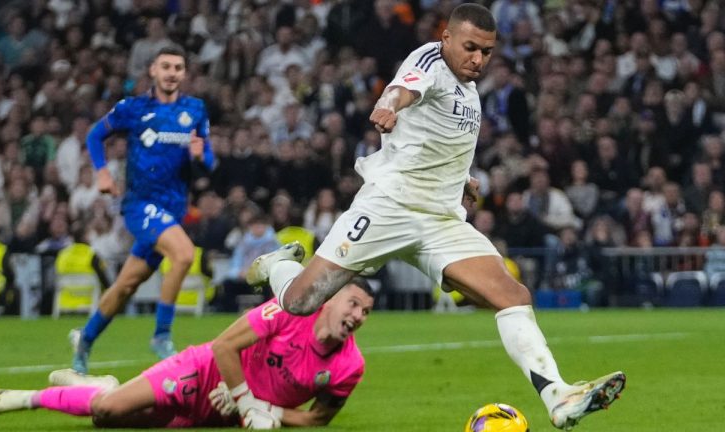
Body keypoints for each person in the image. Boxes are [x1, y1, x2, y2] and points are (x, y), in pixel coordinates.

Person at [244, 4, 624, 430]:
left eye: (487, 52)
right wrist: (388, 105)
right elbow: (402, 90)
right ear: (446, 38)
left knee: (513, 296)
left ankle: (558, 395)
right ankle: (278, 265)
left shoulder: (470, 90)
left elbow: (439, 139)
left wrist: (465, 179)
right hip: (390, 206)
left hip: (441, 220)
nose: (478, 59)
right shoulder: (429, 60)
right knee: (299, 302)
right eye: (470, 48)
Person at [0, 279, 375, 429]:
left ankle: (100, 384)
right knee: (107, 412)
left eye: (366, 312)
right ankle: (26, 399)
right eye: (353, 304)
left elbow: (315, 419)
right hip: (201, 373)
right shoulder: (288, 310)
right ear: (331, 298)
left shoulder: (349, 366)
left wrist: (266, 413)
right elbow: (223, 346)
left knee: (111, 423)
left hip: (224, 413)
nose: (357, 316)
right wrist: (247, 400)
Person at [70, 46, 216, 374]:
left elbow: (208, 163)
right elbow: (95, 135)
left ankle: (85, 338)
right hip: (139, 205)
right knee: (183, 255)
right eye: (165, 66)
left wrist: (199, 156)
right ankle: (161, 335)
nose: (172, 72)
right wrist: (103, 172)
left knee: (125, 285)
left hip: (172, 210)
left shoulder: (195, 110)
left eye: (178, 67)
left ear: (184, 73)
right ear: (152, 70)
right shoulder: (133, 108)